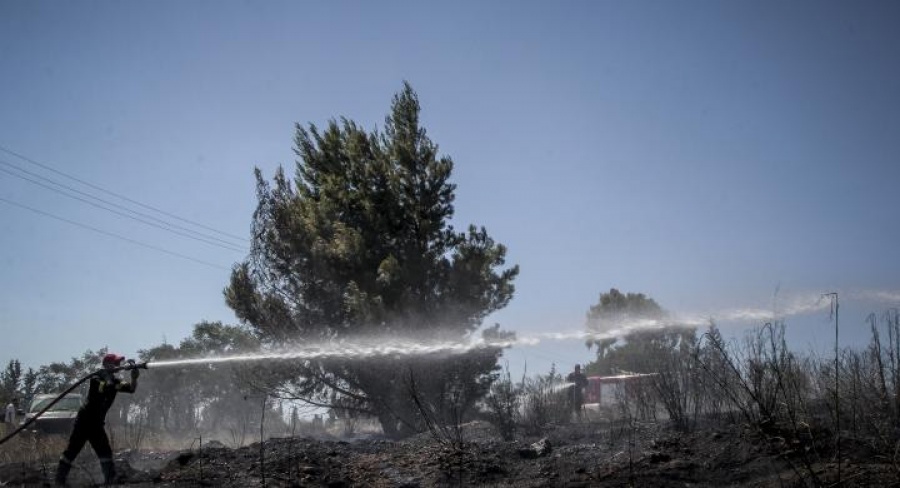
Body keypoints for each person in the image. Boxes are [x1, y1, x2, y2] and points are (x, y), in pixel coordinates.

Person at [55, 353, 139, 486]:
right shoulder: (95, 379)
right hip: (84, 422)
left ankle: (110, 479)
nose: (118, 366)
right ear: (106, 365)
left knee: (104, 451)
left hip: (96, 424)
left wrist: (134, 377)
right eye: (115, 363)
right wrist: (106, 376)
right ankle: (59, 480)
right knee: (72, 450)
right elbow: (106, 386)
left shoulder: (115, 381)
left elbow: (131, 388)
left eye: (118, 364)